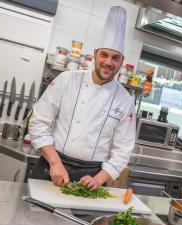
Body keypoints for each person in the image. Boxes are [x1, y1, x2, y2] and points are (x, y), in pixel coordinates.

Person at [29, 6, 136, 189]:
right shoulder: (66, 80)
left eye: (115, 58)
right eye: (104, 54)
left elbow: (122, 150)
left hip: (91, 176)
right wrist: (55, 163)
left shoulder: (125, 101)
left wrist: (100, 178)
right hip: (52, 165)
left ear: (121, 61)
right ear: (95, 54)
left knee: (78, 218)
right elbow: (38, 123)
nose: (108, 62)